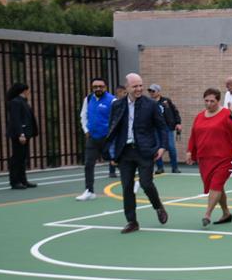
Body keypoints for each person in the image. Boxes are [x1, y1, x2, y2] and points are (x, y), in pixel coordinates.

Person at [105, 73, 169, 234]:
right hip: (124, 152)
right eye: (135, 86)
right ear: (127, 88)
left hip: (145, 150)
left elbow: (162, 127)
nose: (139, 89)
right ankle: (132, 221)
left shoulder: (151, 105)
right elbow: (113, 129)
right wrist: (111, 154)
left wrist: (162, 147)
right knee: (127, 186)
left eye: (140, 85)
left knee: (146, 184)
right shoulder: (117, 105)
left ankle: (158, 206)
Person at [186, 88, 232, 226]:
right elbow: (194, 135)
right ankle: (226, 213)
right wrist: (189, 152)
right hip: (205, 159)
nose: (209, 104)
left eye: (212, 101)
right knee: (217, 186)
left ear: (218, 101)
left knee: (215, 185)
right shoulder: (199, 116)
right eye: (206, 101)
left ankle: (207, 214)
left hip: (224, 158)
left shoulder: (227, 115)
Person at [77, 77, 115, 200]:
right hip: (92, 138)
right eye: (95, 86)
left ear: (105, 87)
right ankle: (89, 191)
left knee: (117, 161)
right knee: (88, 164)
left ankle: (131, 183)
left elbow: (117, 119)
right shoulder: (88, 99)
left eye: (100, 86)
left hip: (107, 138)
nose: (98, 88)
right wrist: (86, 130)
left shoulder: (112, 100)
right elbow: (83, 115)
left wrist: (112, 134)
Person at [6, 82, 38, 190]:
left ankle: (23, 180)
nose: (29, 92)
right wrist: (21, 134)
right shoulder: (16, 102)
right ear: (24, 91)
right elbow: (16, 119)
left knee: (23, 158)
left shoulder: (23, 101)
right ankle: (15, 181)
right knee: (17, 157)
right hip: (19, 135)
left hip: (25, 134)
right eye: (28, 90)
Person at [148, 84, 182, 174]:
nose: (151, 93)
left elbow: (175, 112)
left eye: (153, 91)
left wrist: (178, 123)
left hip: (167, 127)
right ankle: (160, 167)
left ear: (158, 92)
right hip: (155, 128)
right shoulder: (149, 102)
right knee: (157, 147)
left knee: (171, 147)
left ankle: (175, 167)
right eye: (150, 91)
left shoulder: (166, 101)